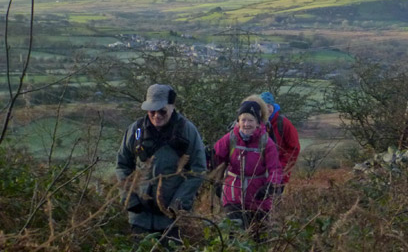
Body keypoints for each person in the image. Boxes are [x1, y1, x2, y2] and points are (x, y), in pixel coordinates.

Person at [116, 84, 206, 246]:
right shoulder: (136, 130)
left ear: (172, 106)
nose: (157, 115)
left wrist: (178, 204)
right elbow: (123, 165)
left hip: (172, 219)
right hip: (140, 216)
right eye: (152, 111)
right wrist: (130, 198)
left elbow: (198, 170)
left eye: (162, 111)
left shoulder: (187, 131)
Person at [213, 97, 283, 239]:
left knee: (258, 239)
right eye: (243, 120)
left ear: (258, 122)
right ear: (238, 121)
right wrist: (217, 180)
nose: (246, 124)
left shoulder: (266, 142)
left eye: (250, 120)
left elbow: (275, 168)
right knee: (234, 237)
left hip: (258, 199)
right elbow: (216, 158)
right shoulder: (230, 138)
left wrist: (270, 186)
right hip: (232, 196)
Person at [260, 91, 301, 190]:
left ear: (273, 106)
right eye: (263, 106)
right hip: (257, 175)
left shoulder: (283, 123)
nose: (266, 109)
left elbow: (294, 148)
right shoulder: (254, 123)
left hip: (278, 175)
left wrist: (281, 169)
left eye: (268, 105)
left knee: (273, 203)